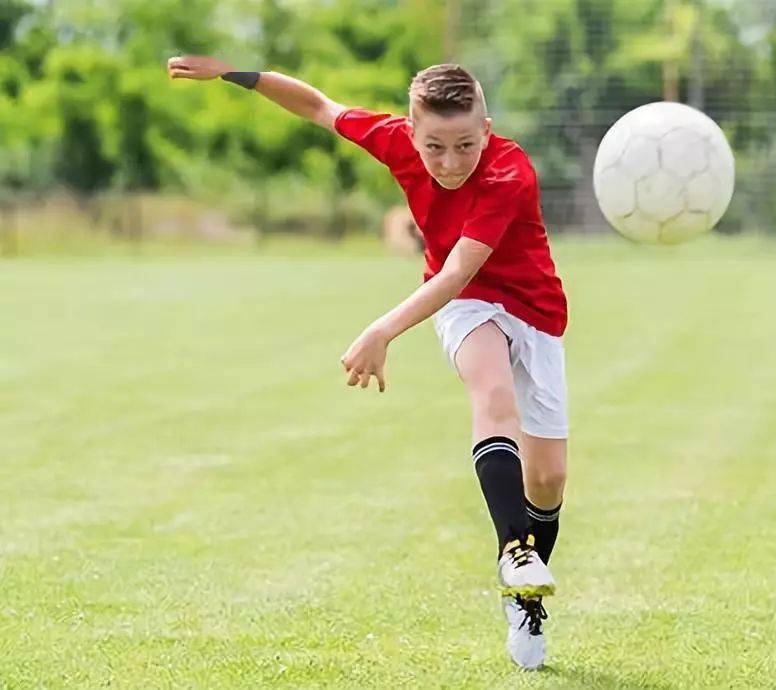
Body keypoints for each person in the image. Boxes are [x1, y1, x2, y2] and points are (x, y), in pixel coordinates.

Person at [167, 56, 569, 670]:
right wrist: (233, 73)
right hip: (464, 305)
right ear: (410, 133)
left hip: (534, 310)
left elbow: (465, 263)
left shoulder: (509, 171)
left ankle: (526, 597)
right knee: (493, 398)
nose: (450, 161)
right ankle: (514, 552)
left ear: (487, 129)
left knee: (548, 480)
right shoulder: (394, 143)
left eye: (465, 144)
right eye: (434, 146)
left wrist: (383, 329)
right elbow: (318, 106)